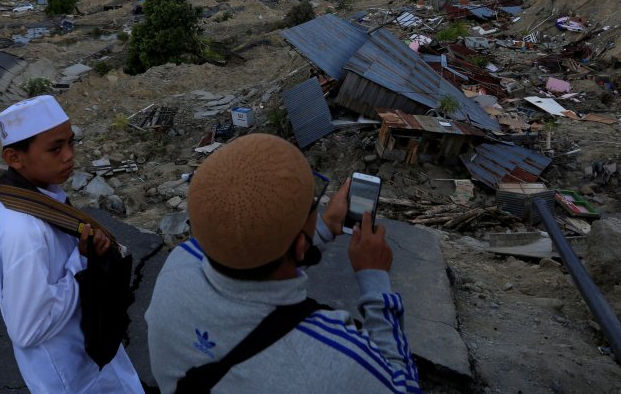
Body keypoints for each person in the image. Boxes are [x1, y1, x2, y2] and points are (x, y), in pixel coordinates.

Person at [146, 133, 420, 393]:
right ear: (301, 246)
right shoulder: (331, 364)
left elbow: (248, 249)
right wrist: (375, 280)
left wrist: (322, 229)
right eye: (314, 204)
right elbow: (403, 386)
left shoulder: (178, 265)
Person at [0, 95, 144, 394]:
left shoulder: (39, 198)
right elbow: (28, 329)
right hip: (71, 375)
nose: (69, 156)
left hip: (83, 353)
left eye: (71, 143)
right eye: (55, 149)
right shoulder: (23, 231)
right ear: (14, 158)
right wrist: (80, 263)